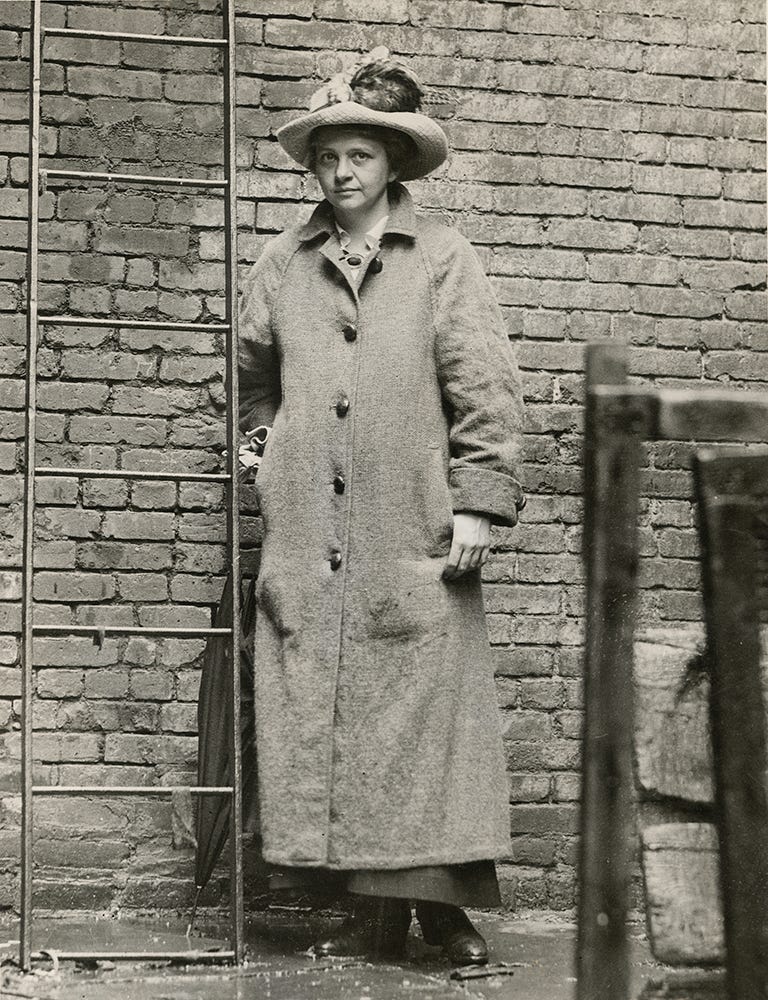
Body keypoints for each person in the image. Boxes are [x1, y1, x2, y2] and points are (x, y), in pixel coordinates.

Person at [237, 49, 525, 967]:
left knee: (424, 715)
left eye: (361, 155)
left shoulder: (442, 255)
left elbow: (485, 387)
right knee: (330, 711)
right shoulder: (284, 260)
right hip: (311, 532)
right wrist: (267, 456)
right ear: (313, 167)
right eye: (328, 157)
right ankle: (368, 914)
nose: (343, 171)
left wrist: (479, 502)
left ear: (393, 164)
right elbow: (250, 378)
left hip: (413, 518)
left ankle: (441, 913)